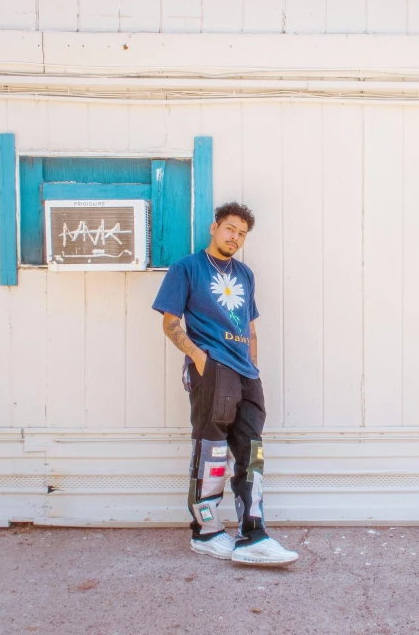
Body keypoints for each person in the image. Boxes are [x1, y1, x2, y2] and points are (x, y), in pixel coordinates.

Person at [152, 201, 298, 566]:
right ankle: (206, 532)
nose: (235, 237)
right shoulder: (187, 268)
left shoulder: (245, 275)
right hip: (213, 369)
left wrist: (253, 366)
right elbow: (170, 324)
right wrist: (202, 360)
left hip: (246, 373)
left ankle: (254, 535)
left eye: (242, 234)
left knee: (252, 453)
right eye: (231, 228)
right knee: (212, 452)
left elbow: (250, 327)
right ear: (215, 227)